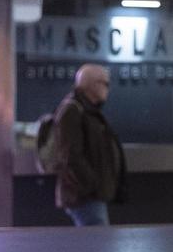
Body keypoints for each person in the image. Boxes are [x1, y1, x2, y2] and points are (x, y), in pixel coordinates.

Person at [53, 63, 126, 226]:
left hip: (91, 195)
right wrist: (92, 184)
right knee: (97, 245)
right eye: (104, 83)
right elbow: (71, 155)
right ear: (90, 85)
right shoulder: (72, 110)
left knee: (94, 244)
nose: (108, 88)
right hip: (84, 197)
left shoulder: (89, 111)